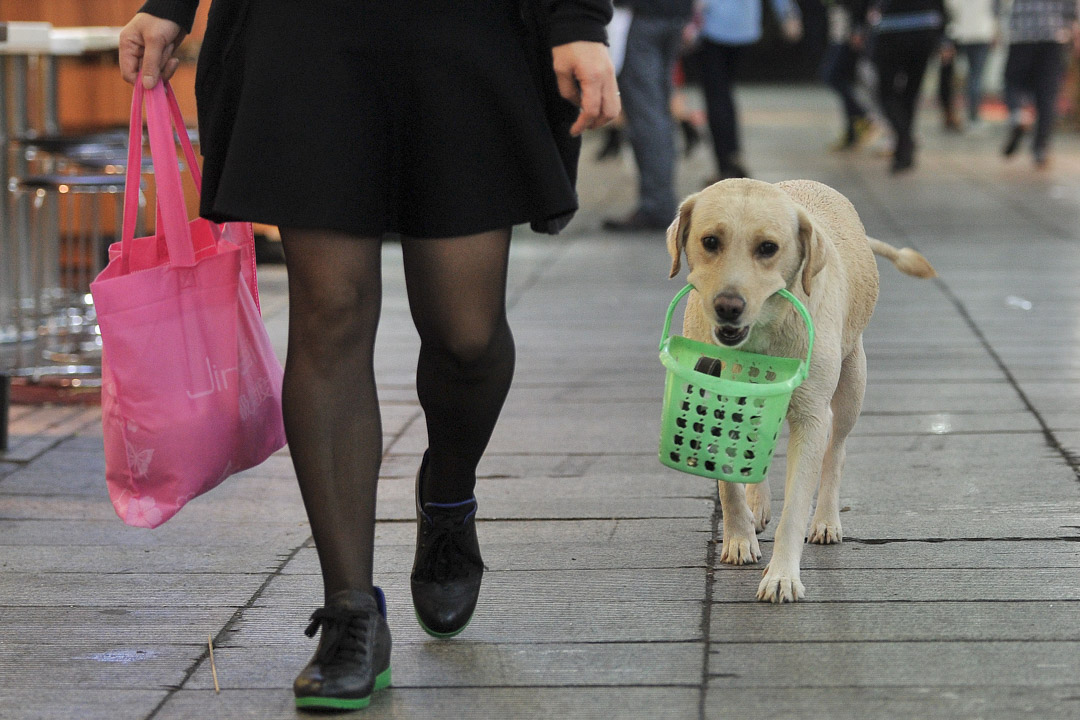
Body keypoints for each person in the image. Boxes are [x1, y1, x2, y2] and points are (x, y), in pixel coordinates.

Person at [119, 0, 619, 711]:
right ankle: (350, 612)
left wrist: (577, 20)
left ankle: (448, 494)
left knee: (466, 335)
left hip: (466, 30)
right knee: (330, 314)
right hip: (306, 32)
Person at [602, 0, 695, 232]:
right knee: (659, 110)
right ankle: (660, 202)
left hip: (643, 13)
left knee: (647, 114)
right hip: (674, 13)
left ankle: (656, 206)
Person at [697, 0, 803, 182]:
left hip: (713, 25)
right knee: (724, 95)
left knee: (717, 97)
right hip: (745, 27)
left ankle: (727, 164)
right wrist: (788, 15)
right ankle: (732, 157)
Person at [866, 0, 947, 173]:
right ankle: (905, 147)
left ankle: (904, 140)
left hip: (890, 32)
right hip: (923, 32)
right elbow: (939, 6)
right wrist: (943, 38)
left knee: (886, 94)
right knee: (910, 93)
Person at [1001, 0, 1080, 168]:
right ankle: (1040, 148)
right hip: (1054, 38)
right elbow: (1072, 7)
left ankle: (1018, 115)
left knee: (1013, 83)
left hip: (1021, 35)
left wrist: (1000, 24)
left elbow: (997, 6)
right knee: (1047, 94)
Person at [821, 0, 878, 151]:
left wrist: (858, 29)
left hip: (848, 33)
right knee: (840, 78)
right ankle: (852, 131)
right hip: (839, 30)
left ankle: (863, 117)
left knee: (832, 76)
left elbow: (860, 5)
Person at [938, 0, 1000, 131]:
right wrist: (995, 31)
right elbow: (995, 10)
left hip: (959, 32)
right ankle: (972, 117)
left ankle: (951, 114)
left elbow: (949, 8)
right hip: (980, 32)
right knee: (975, 77)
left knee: (950, 76)